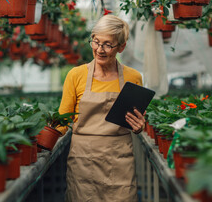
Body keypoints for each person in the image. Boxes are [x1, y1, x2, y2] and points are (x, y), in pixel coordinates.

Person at [58, 14, 146, 202]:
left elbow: (137, 120)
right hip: (83, 161)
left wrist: (140, 127)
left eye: (107, 44)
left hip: (119, 160)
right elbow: (62, 121)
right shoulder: (76, 75)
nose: (99, 50)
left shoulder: (134, 78)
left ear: (121, 46)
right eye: (96, 42)